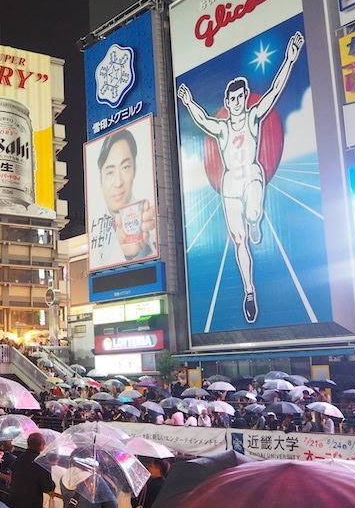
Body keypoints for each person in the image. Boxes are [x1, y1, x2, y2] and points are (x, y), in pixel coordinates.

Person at [177, 31, 305, 323]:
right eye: (232, 98)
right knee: (238, 240)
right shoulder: (222, 128)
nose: (236, 102)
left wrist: (290, 58)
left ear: (245, 98)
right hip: (230, 184)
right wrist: (187, 102)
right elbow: (202, 120)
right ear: (227, 100)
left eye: (240, 97)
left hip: (252, 176)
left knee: (254, 211)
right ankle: (249, 290)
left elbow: (275, 90)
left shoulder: (252, 117)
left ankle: (255, 221)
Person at [89, 128, 157, 268]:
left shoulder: (149, 218)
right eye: (110, 172)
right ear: (100, 178)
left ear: (135, 170)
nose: (118, 182)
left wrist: (138, 253)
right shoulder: (95, 226)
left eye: (125, 167)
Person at [8, 432, 55, 508]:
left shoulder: (19, 457)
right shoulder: (42, 462)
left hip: (14, 501)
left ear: (28, 444)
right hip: (31, 507)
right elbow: (48, 487)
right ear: (42, 446)